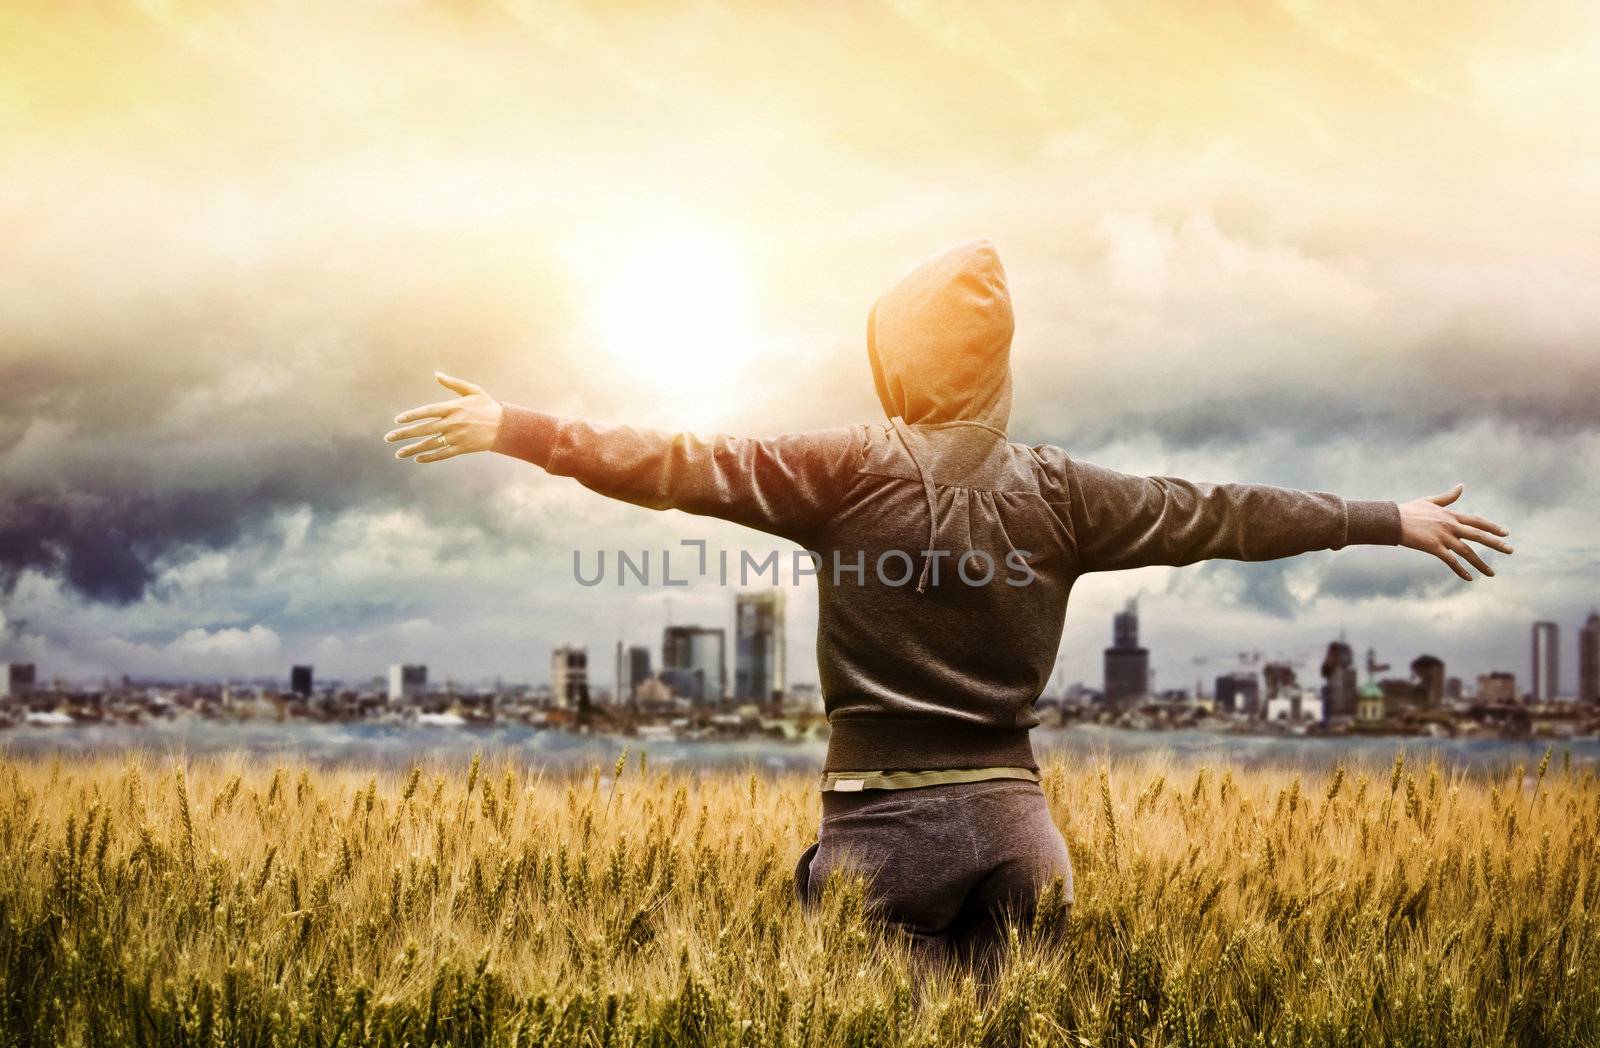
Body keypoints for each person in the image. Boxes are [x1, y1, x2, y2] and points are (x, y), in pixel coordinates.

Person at [384, 239, 1512, 974]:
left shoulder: (843, 467)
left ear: (890, 360)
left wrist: (518, 427)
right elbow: (1220, 511)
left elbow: (679, 459)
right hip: (1023, 836)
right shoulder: (1067, 490)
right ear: (998, 363)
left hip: (882, 836)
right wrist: (1381, 516)